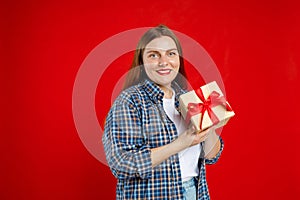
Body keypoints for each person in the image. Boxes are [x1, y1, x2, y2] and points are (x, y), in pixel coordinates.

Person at [102, 25, 224, 200]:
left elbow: (212, 157)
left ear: (179, 59)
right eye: (154, 55)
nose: (164, 61)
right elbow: (121, 163)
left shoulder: (187, 98)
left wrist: (210, 126)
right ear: (142, 62)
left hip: (194, 193)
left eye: (171, 53)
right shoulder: (129, 101)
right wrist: (180, 144)